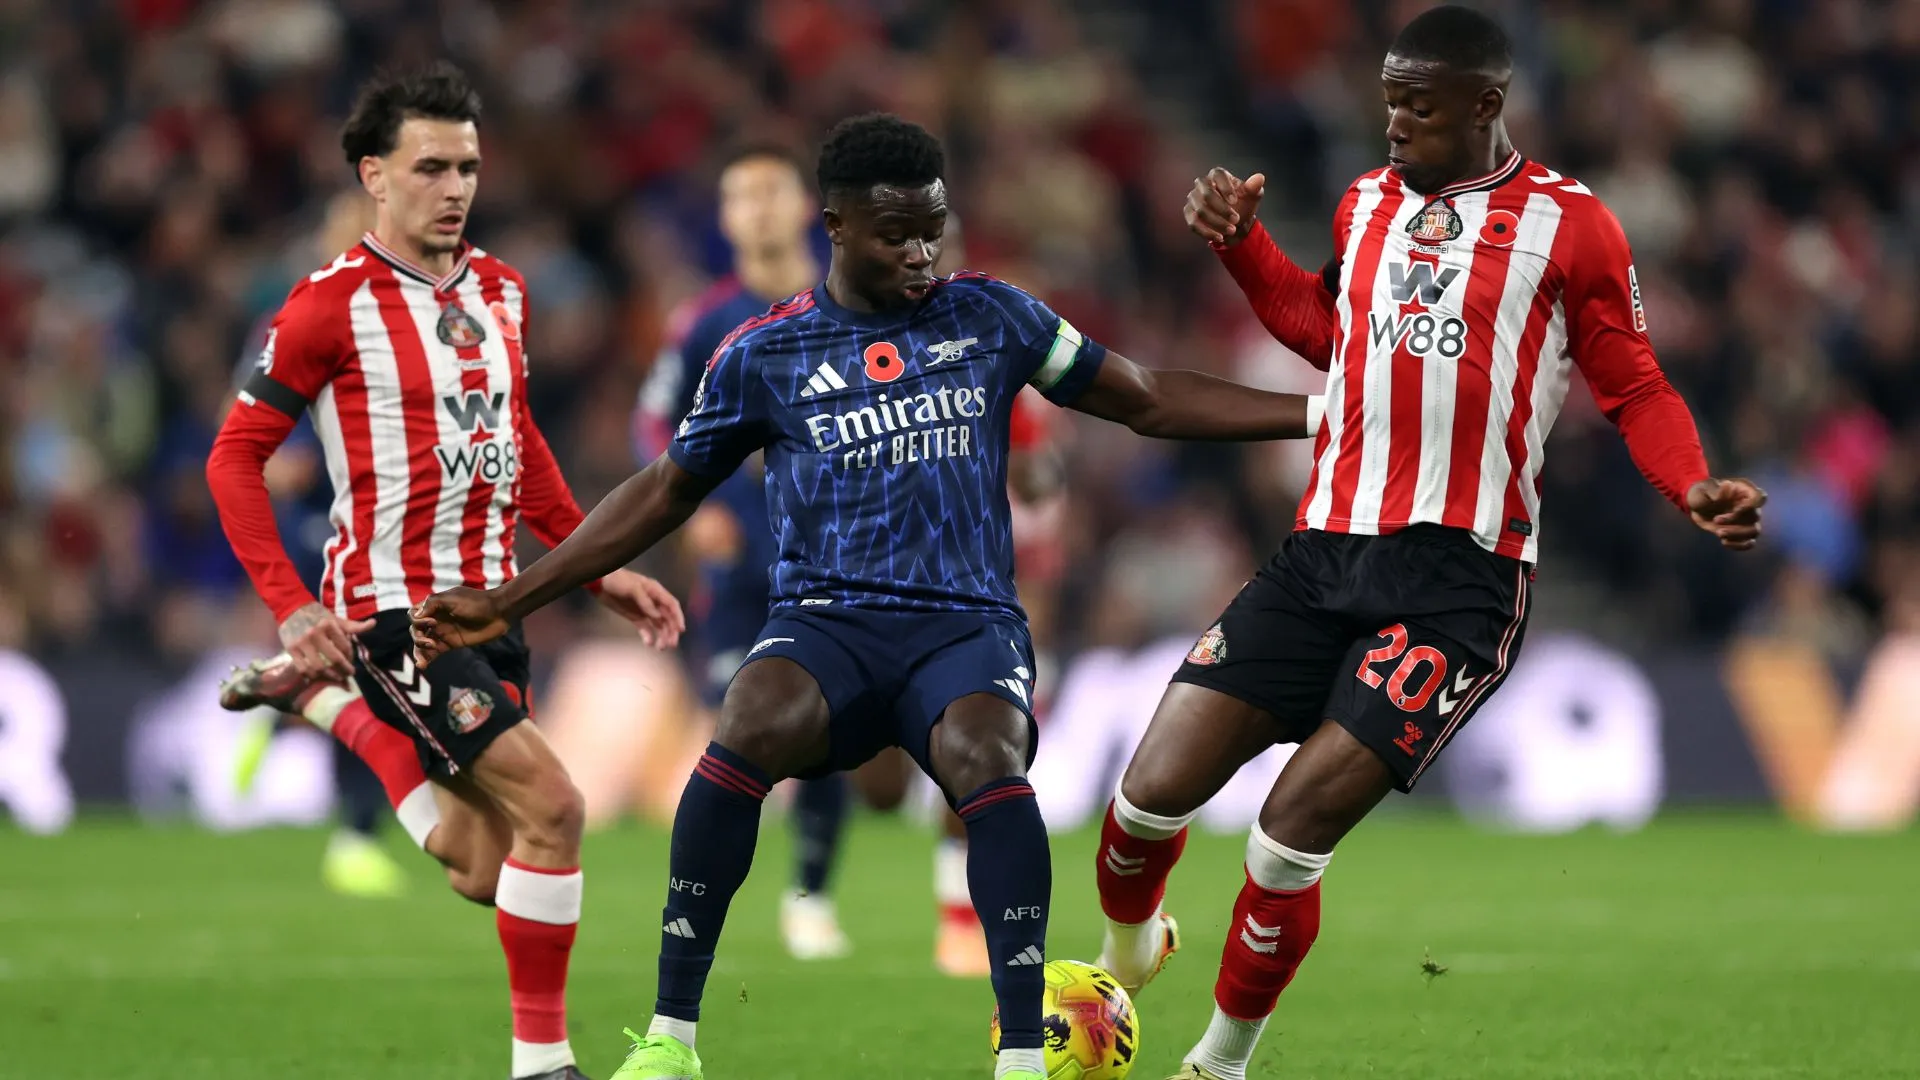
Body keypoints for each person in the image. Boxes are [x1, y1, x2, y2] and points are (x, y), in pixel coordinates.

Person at [409, 112, 1322, 1080]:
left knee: (987, 755)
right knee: (750, 722)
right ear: (836, 228)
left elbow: (1142, 396)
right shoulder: (767, 352)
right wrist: (517, 598)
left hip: (964, 627)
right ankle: (671, 1038)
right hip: (826, 625)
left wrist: (1321, 412)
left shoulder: (992, 316)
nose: (923, 252)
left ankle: (1020, 1053)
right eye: (896, 235)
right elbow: (664, 489)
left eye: (932, 226)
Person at [1086, 9, 1768, 1080]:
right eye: (1391, 97)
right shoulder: (1364, 202)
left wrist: (1691, 483)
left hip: (1457, 579)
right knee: (1140, 807)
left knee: (1284, 833)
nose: (1394, 119)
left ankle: (1218, 1064)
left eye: (1419, 102)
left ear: (1488, 104)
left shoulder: (1572, 224)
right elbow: (1325, 332)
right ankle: (1131, 949)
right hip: (1320, 554)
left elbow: (1630, 379)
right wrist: (1240, 246)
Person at [205, 62, 685, 1080]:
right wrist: (293, 607)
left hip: (491, 604)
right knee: (554, 808)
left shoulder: (504, 292)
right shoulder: (325, 309)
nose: (456, 186)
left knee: (482, 863)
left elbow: (519, 452)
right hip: (395, 613)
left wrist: (599, 573)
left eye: (467, 165)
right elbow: (233, 457)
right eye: (431, 167)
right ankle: (543, 1063)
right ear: (375, 176)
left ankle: (328, 711)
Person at [637, 146, 1062, 973]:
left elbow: (1048, 447)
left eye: (770, 193)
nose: (757, 211)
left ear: (803, 207)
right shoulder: (717, 327)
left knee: (921, 755)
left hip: (920, 583)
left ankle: (825, 898)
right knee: (779, 726)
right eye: (740, 196)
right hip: (758, 563)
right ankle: (733, 951)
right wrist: (697, 515)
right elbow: (657, 434)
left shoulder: (958, 325)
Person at [225, 189, 410, 900]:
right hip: (325, 520)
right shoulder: (300, 313)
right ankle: (356, 836)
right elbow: (238, 422)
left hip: (389, 519)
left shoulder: (407, 316)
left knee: (360, 666)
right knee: (368, 665)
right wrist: (284, 458)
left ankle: (282, 704)